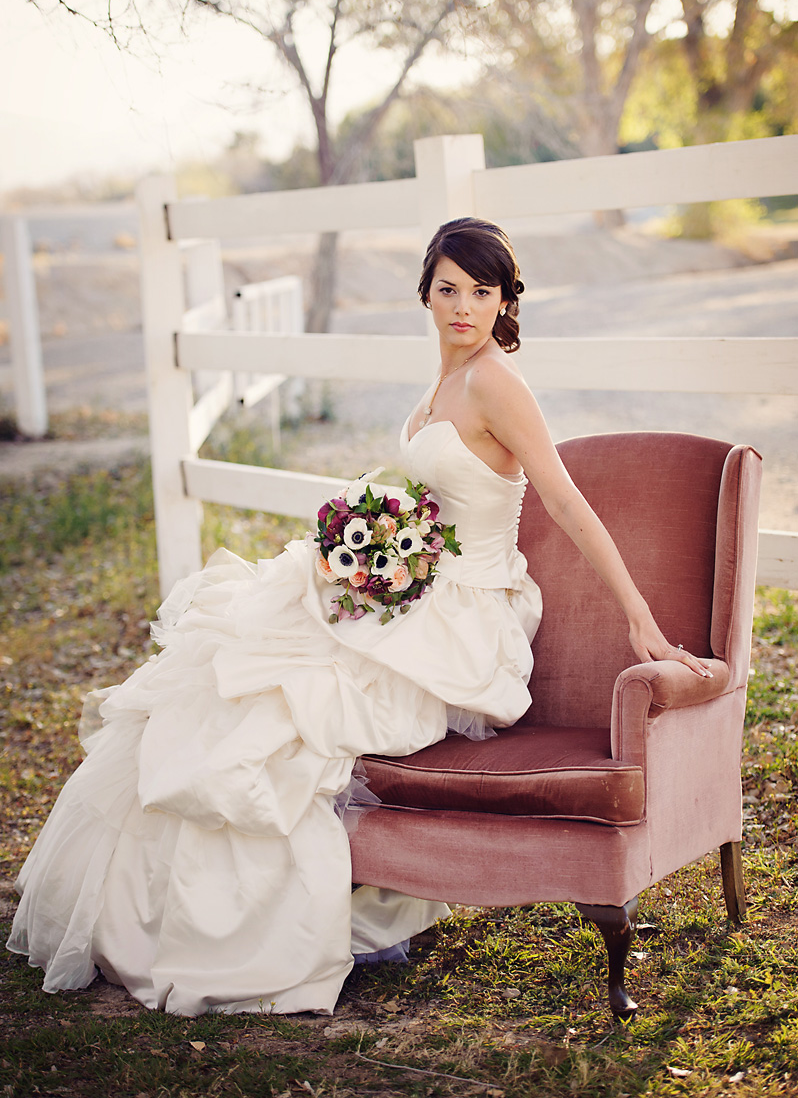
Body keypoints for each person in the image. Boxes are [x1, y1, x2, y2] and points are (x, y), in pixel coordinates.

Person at [7, 217, 711, 1018]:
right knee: (236, 674)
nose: (463, 308)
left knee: (286, 706)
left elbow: (562, 499)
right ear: (425, 291)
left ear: (504, 301)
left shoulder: (493, 381)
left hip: (468, 614)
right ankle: (169, 906)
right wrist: (373, 545)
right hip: (414, 590)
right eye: (448, 289)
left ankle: (265, 922)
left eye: (482, 293)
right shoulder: (439, 384)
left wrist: (639, 616)